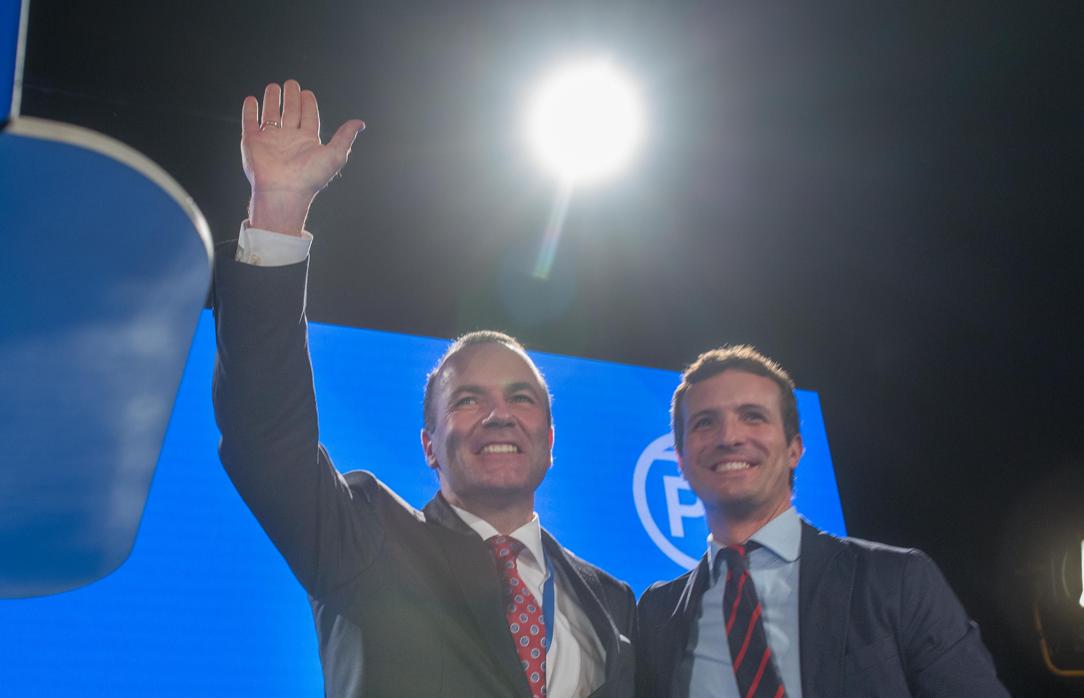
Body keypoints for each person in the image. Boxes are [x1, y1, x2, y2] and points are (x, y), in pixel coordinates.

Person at [212, 79, 635, 697]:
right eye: (468, 400)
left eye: (521, 398)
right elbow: (264, 437)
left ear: (549, 437)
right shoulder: (365, 539)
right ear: (430, 445)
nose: (499, 415)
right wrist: (277, 211)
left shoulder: (613, 602)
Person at [636, 346, 1009, 697]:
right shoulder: (656, 613)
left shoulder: (897, 579)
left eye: (753, 416)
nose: (729, 437)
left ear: (794, 448)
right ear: (681, 461)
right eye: (705, 422)